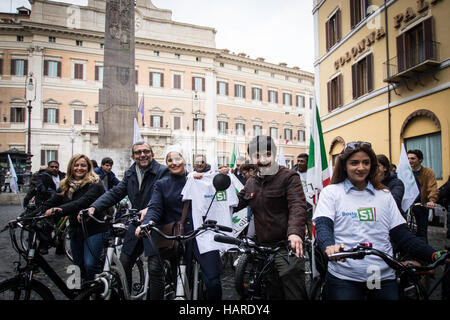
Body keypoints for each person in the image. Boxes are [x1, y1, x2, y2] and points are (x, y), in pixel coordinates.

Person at [313, 141, 443, 300]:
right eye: (354, 163)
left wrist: (434, 254)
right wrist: (329, 246)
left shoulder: (384, 195)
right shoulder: (331, 192)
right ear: (344, 165)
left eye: (366, 162)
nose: (361, 168)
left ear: (372, 165)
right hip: (345, 277)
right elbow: (323, 225)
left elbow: (402, 235)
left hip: (380, 275)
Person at [136, 146, 226, 300]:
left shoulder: (198, 179)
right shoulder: (162, 184)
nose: (174, 163)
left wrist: (218, 178)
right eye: (169, 160)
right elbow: (155, 207)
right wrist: (148, 223)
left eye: (178, 159)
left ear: (185, 161)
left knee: (212, 281)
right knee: (179, 282)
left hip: (203, 235)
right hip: (177, 238)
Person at [86, 141, 169, 296]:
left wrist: (151, 207)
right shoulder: (130, 173)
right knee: (124, 264)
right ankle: (126, 296)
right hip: (136, 223)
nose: (142, 155)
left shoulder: (162, 171)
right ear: (133, 156)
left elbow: (166, 196)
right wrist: (94, 207)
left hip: (156, 224)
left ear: (152, 154)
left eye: (146, 151)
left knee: (154, 268)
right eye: (138, 152)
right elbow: (115, 192)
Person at [233, 135, 308, 300]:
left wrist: (294, 232)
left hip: (287, 247)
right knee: (271, 291)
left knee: (293, 290)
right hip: (263, 250)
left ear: (274, 154)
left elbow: (297, 205)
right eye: (257, 155)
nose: (263, 159)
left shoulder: (289, 177)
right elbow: (234, 204)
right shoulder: (251, 182)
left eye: (267, 154)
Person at [43, 154, 106, 282]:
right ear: (71, 167)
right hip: (76, 230)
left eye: (83, 165)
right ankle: (79, 292)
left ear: (88, 168)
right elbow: (51, 202)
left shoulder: (95, 184)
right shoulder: (66, 185)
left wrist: (60, 209)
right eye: (76, 165)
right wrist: (27, 216)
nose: (79, 168)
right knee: (77, 267)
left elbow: (82, 202)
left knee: (90, 265)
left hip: (94, 230)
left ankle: (96, 291)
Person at [407, 149, 439, 243]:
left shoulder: (428, 172)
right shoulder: (405, 172)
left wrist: (432, 200)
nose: (410, 161)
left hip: (421, 205)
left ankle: (424, 253)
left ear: (420, 160)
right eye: (408, 158)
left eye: (413, 158)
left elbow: (432, 187)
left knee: (421, 232)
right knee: (406, 231)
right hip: (407, 206)